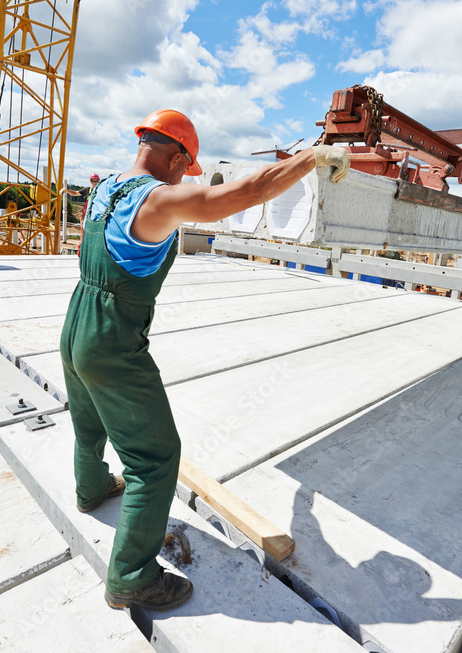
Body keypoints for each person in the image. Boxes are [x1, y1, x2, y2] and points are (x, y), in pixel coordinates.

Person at [59, 109, 350, 611]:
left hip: (75, 325)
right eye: (185, 168)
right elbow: (242, 194)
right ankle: (131, 576)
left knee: (90, 419)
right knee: (154, 459)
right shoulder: (158, 199)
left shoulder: (105, 188)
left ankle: (90, 489)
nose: (183, 178)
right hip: (113, 342)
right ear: (175, 157)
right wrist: (310, 157)